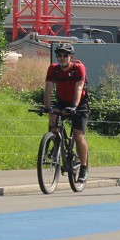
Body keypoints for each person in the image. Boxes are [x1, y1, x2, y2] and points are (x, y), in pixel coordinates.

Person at [42, 43, 90, 182]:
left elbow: (79, 88)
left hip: (79, 103)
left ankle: (83, 168)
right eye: (59, 55)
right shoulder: (53, 69)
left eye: (65, 55)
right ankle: (53, 143)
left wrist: (74, 106)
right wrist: (46, 106)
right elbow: (49, 87)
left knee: (78, 135)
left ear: (71, 57)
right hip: (62, 101)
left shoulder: (78, 68)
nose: (62, 58)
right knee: (53, 116)